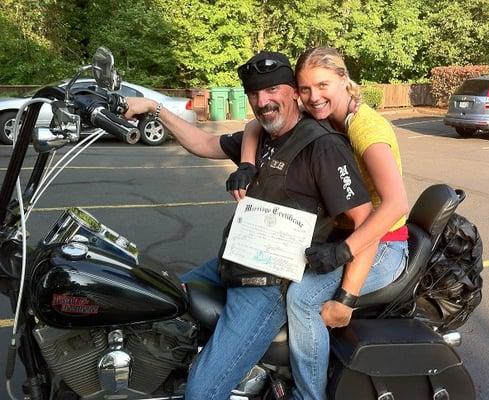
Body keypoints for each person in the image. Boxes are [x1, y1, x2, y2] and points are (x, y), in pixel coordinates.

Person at [123, 51, 375, 400]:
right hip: (233, 261)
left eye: (272, 90)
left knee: (202, 392)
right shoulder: (264, 137)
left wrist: (346, 298)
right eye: (254, 94)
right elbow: (203, 142)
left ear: (294, 93)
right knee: (158, 303)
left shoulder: (323, 147)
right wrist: (154, 107)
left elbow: (366, 221)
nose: (262, 101)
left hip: (267, 284)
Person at [226, 47, 409, 400]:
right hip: (349, 237)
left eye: (322, 85)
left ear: (344, 78)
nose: (313, 97)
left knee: (303, 299)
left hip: (384, 244)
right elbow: (254, 123)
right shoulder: (328, 117)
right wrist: (247, 163)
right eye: (305, 89)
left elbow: (394, 205)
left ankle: (310, 395)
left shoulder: (366, 129)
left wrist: (345, 274)